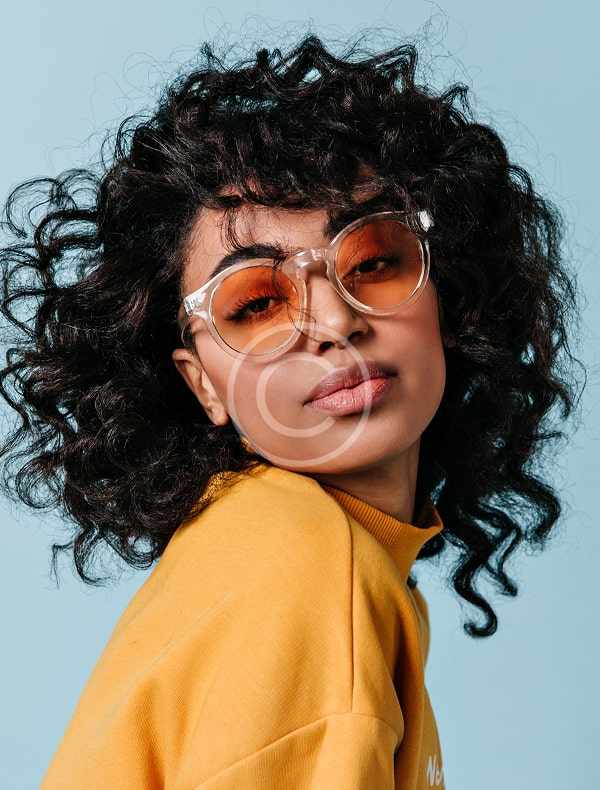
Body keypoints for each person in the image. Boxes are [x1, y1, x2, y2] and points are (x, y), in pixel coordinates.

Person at [0, 32, 584, 789]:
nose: (336, 322)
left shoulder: (293, 546)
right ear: (202, 385)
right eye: (256, 303)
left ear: (449, 293)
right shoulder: (309, 565)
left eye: (373, 261)